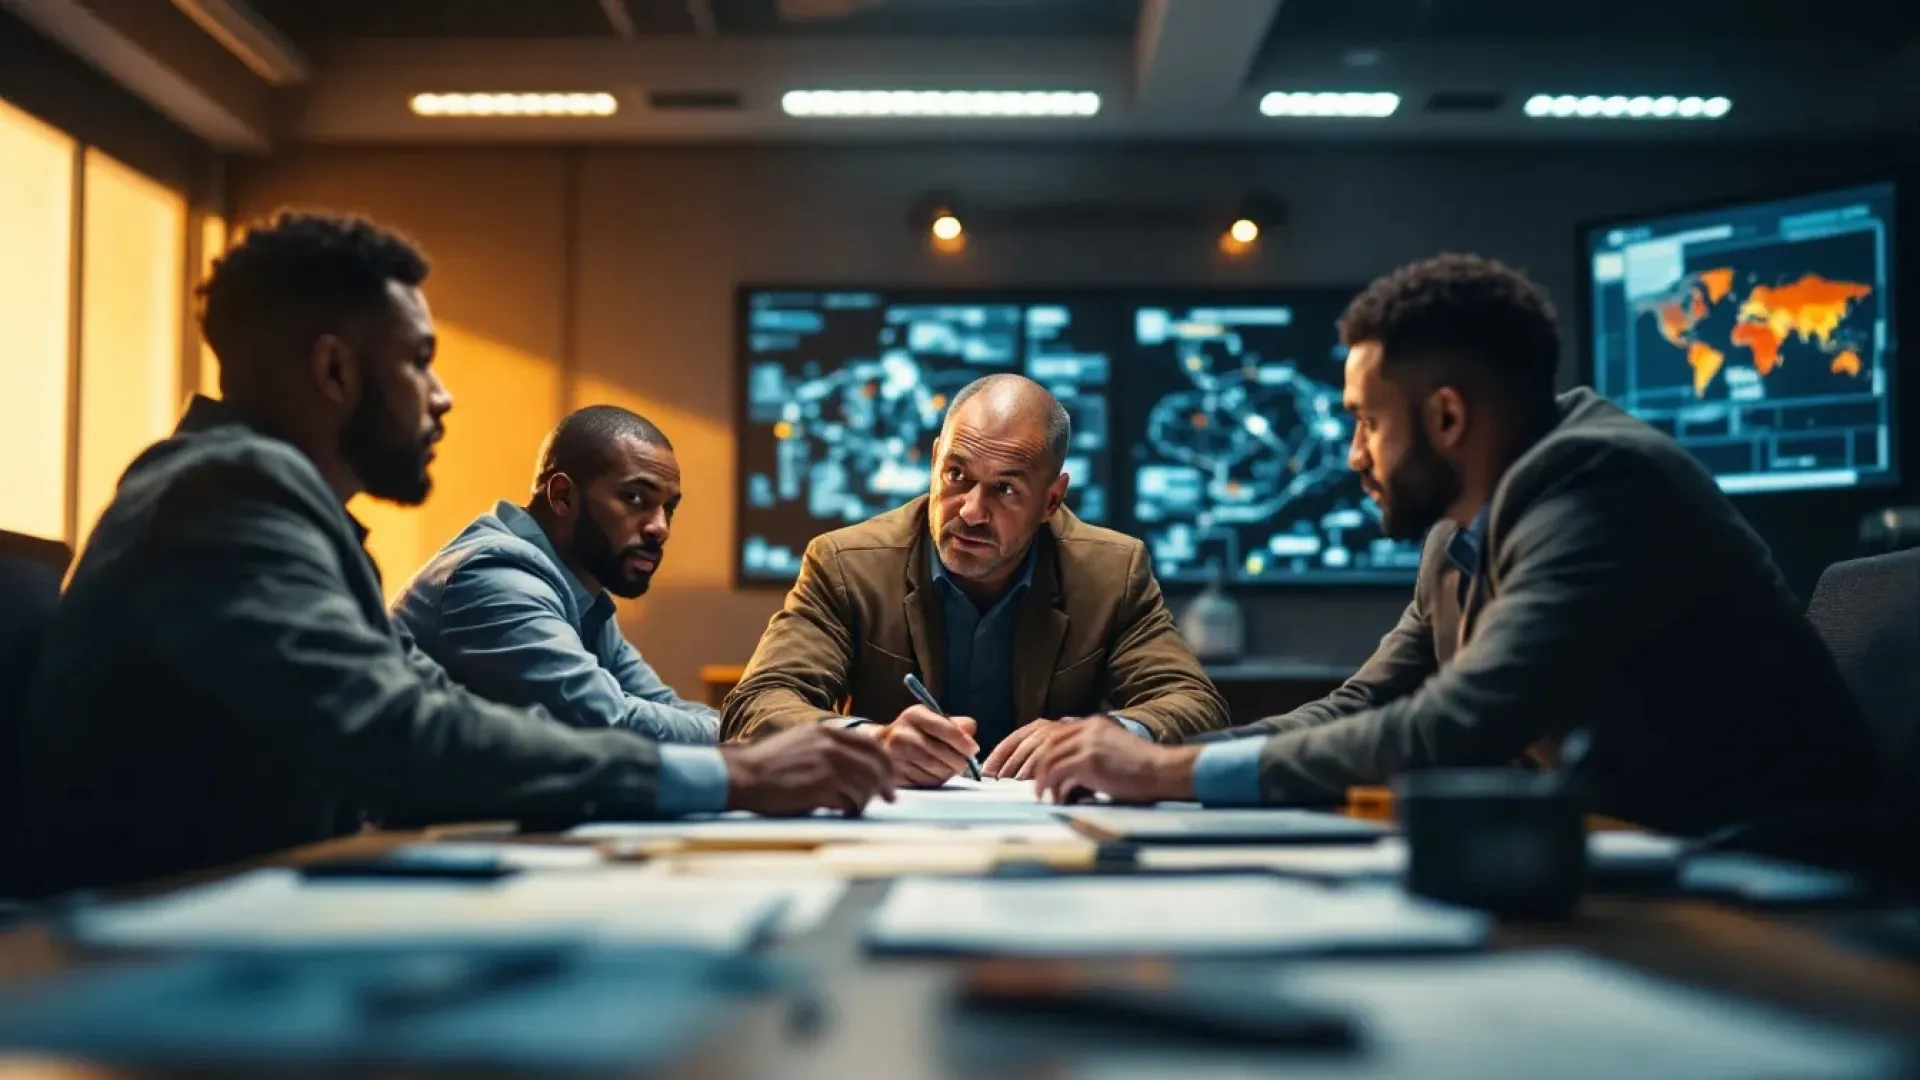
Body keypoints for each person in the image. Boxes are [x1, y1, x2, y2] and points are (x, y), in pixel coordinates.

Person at [17, 211, 892, 895]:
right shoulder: (225, 501)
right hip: (128, 941)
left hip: (240, 901)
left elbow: (425, 705)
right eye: (419, 362)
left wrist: (751, 760)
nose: (441, 398)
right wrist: (733, 776)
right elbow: (404, 734)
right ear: (334, 371)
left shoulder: (274, 506)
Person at [1031, 253, 1883, 837]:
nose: (1353, 455)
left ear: (1446, 417)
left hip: (1789, 890)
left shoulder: (1602, 483)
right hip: (1644, 860)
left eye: (1367, 422)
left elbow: (1461, 722)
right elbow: (1361, 705)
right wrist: (1155, 755)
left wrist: (1166, 778)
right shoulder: (1460, 528)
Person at [722, 373, 1227, 787]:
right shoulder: (846, 564)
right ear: (935, 460)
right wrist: (870, 742)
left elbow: (1198, 706)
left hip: (1051, 826)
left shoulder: (1113, 573)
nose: (970, 512)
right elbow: (756, 703)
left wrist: (1106, 734)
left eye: (1005, 489)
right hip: (895, 826)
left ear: (1051, 500)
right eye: (956, 475)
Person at [392, 406, 717, 743]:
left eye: (669, 508)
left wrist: (741, 733)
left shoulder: (582, 592)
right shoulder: (497, 577)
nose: (660, 528)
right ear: (562, 497)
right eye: (635, 498)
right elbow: (608, 721)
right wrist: (744, 736)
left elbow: (661, 704)